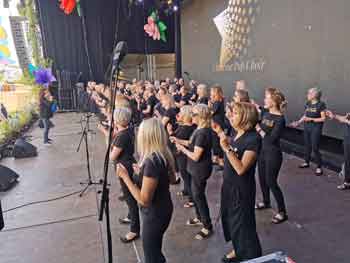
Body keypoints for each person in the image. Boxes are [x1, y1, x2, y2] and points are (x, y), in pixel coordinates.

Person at [117, 118, 176, 263]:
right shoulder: (163, 153)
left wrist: (126, 178)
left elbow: (144, 200)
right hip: (163, 208)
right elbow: (172, 179)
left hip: (155, 214)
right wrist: (142, 172)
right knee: (155, 250)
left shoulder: (152, 161)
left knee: (151, 256)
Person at [212, 102, 262, 262]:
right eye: (231, 113)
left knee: (243, 224)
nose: (231, 116)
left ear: (245, 118)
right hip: (229, 185)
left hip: (241, 189)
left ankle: (251, 256)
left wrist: (226, 148)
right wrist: (220, 132)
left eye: (235, 114)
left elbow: (241, 169)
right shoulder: (237, 132)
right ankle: (238, 249)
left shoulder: (253, 138)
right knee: (231, 221)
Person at [175, 104, 213, 240]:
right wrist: (178, 140)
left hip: (200, 169)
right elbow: (191, 143)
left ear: (201, 116)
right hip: (195, 168)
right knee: (195, 195)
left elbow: (196, 156)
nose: (192, 116)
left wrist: (181, 148)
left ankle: (207, 225)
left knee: (198, 196)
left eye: (194, 114)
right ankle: (199, 217)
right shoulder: (199, 129)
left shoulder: (203, 132)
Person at [255, 88, 288, 224]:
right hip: (262, 152)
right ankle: (266, 202)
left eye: (266, 97)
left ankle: (282, 212)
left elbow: (271, 139)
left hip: (273, 154)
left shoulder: (280, 119)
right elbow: (258, 110)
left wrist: (258, 128)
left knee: (271, 181)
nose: (264, 100)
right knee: (262, 179)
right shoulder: (266, 113)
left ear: (273, 102)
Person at [108, 107, 140, 243]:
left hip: (124, 167)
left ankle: (134, 230)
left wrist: (107, 136)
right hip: (127, 163)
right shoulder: (127, 131)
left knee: (130, 198)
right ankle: (130, 216)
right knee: (129, 196)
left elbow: (112, 156)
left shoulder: (122, 136)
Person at [290, 86, 326, 176]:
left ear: (314, 95)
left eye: (309, 93)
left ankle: (319, 166)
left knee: (315, 147)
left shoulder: (321, 104)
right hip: (307, 128)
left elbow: (323, 118)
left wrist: (311, 119)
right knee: (307, 146)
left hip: (316, 129)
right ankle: (306, 162)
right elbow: (305, 115)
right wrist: (298, 122)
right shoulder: (308, 103)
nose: (307, 95)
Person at [169, 106, 197, 207]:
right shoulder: (184, 126)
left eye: (180, 113)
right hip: (181, 156)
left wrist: (171, 134)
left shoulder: (187, 128)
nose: (178, 115)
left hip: (184, 157)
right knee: (185, 177)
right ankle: (186, 190)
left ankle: (192, 199)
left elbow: (176, 139)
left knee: (187, 177)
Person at [326, 110, 350, 190]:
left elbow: (346, 120)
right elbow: (344, 118)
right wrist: (334, 116)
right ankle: (347, 182)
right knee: (347, 161)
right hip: (347, 140)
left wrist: (346, 120)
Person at [209, 84, 226, 167]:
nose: (211, 94)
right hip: (217, 124)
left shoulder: (217, 102)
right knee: (216, 142)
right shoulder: (220, 101)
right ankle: (217, 159)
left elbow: (211, 113)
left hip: (217, 125)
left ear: (216, 93)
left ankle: (221, 161)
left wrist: (209, 107)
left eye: (212, 92)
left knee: (217, 142)